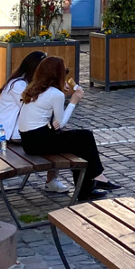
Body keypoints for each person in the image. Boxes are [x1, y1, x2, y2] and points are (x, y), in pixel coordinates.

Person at [18, 56, 118, 201]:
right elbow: (62, 122)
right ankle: (96, 178)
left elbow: (52, 120)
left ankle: (87, 188)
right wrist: (73, 101)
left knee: (80, 142)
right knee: (85, 136)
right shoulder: (55, 93)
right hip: (39, 141)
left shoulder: (35, 89)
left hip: (28, 140)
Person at [0, 51, 67, 193]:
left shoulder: (25, 83)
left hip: (17, 130)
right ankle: (51, 180)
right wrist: (56, 92)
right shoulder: (19, 85)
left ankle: (52, 180)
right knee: (55, 137)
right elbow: (31, 107)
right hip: (11, 134)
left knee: (55, 133)